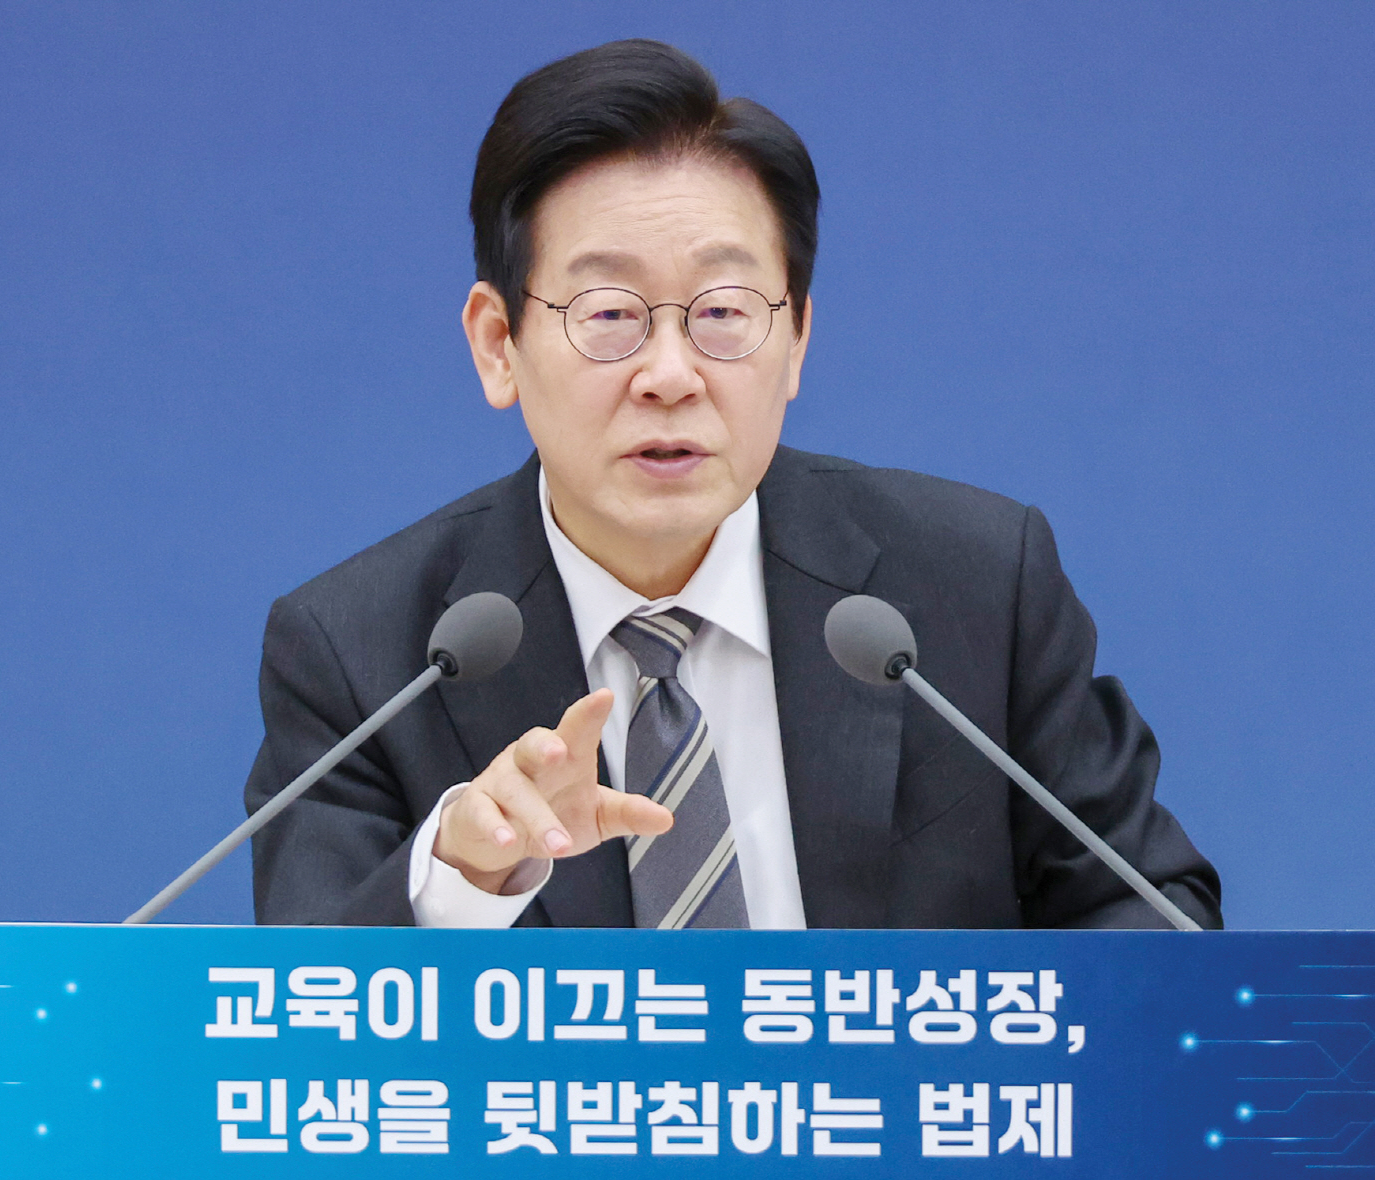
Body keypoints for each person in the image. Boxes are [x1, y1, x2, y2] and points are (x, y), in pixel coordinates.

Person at [245, 39, 1222, 931]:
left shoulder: (976, 588)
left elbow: (1154, 920)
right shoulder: (362, 657)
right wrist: (462, 878)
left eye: (721, 311)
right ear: (498, 344)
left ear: (795, 338)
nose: (670, 375)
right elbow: (300, 1020)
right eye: (609, 313)